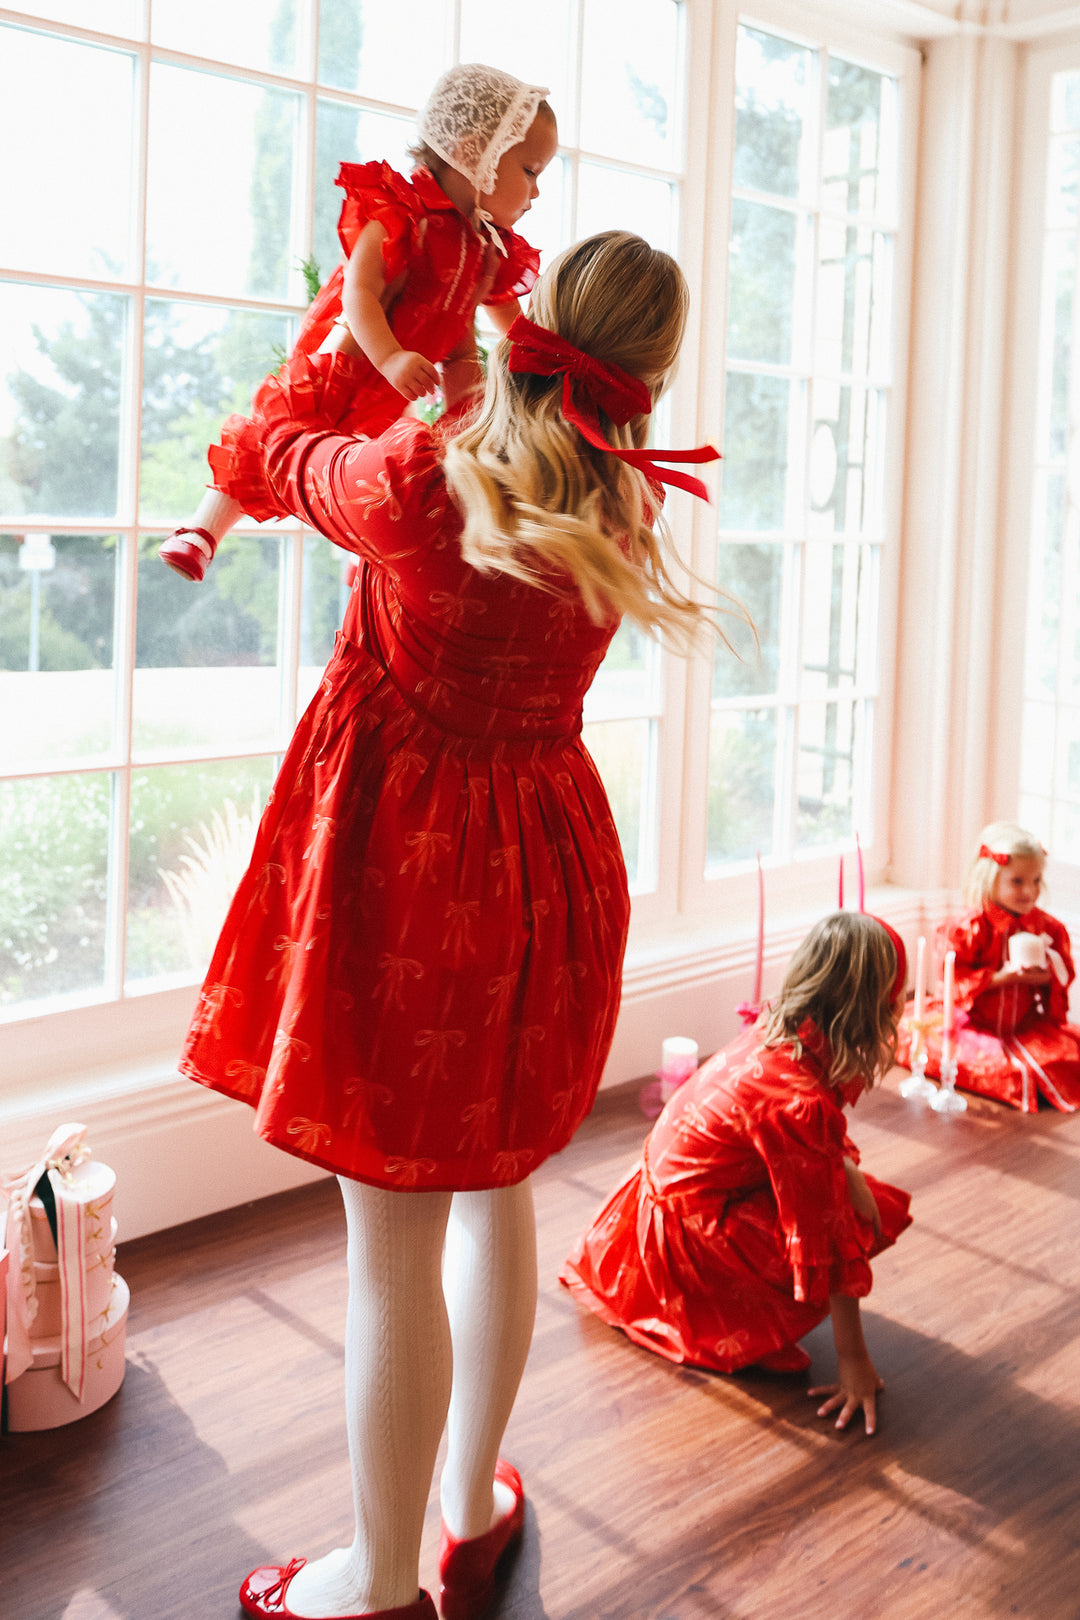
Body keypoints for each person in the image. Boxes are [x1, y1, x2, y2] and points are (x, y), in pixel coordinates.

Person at [178, 231, 721, 1618]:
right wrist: (423, 374)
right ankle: (470, 1510)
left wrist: (359, 317)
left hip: (412, 870)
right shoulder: (621, 502)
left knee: (390, 1252)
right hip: (544, 862)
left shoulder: (435, 476)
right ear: (651, 369)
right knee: (495, 1193)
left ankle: (375, 1578)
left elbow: (286, 449)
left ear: (535, 323)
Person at [159, 62, 557, 582]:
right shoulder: (403, 212)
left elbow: (503, 314)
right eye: (530, 172)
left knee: (374, 469)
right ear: (471, 151)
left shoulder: (485, 246)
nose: (536, 193)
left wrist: (541, 352)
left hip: (402, 386)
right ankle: (202, 529)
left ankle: (366, 553)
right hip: (349, 359)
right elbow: (359, 291)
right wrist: (389, 356)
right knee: (274, 437)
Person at [561, 912, 913, 1438]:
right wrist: (854, 1361)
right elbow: (827, 1235)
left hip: (650, 1210)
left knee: (856, 1191)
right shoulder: (799, 1100)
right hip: (682, 1245)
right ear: (873, 1009)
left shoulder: (776, 1033)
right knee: (856, 1219)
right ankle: (723, 1309)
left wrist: (838, 1165)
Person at [896, 821, 1080, 1111]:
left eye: (1035, 881)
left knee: (1067, 1057)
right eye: (1017, 881)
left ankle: (1034, 1079)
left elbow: (1062, 974)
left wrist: (1046, 978)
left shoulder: (1048, 928)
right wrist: (1002, 977)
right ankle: (1025, 1082)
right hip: (976, 1025)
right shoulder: (967, 928)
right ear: (989, 878)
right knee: (921, 1037)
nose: (1029, 892)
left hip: (1025, 1025)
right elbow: (954, 983)